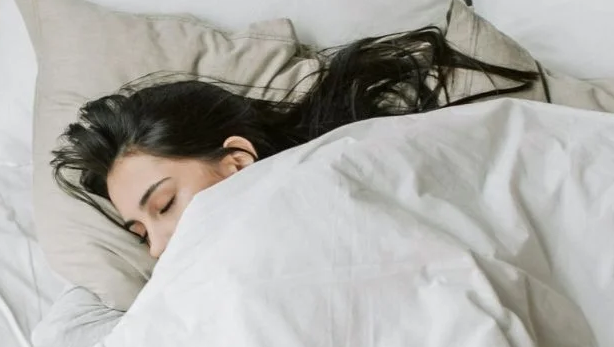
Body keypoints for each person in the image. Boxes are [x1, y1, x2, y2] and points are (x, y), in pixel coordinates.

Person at [53, 27, 538, 259]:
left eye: (164, 205)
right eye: (140, 234)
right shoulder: (197, 278)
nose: (157, 249)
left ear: (236, 163)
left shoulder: (342, 172)